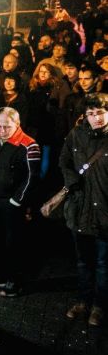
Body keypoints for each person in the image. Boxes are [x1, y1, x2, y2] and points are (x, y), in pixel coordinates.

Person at [0, 107, 41, 298]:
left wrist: (16, 201)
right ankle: (0, 274)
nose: (2, 130)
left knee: (13, 242)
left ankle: (14, 280)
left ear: (17, 124)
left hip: (10, 203)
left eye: (7, 126)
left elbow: (31, 178)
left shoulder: (28, 145)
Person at [59, 93, 108, 327]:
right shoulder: (76, 135)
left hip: (105, 211)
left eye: (100, 112)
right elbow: (64, 160)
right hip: (79, 208)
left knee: (103, 263)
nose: (96, 117)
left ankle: (99, 306)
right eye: (90, 113)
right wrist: (72, 181)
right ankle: (83, 301)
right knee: (82, 261)